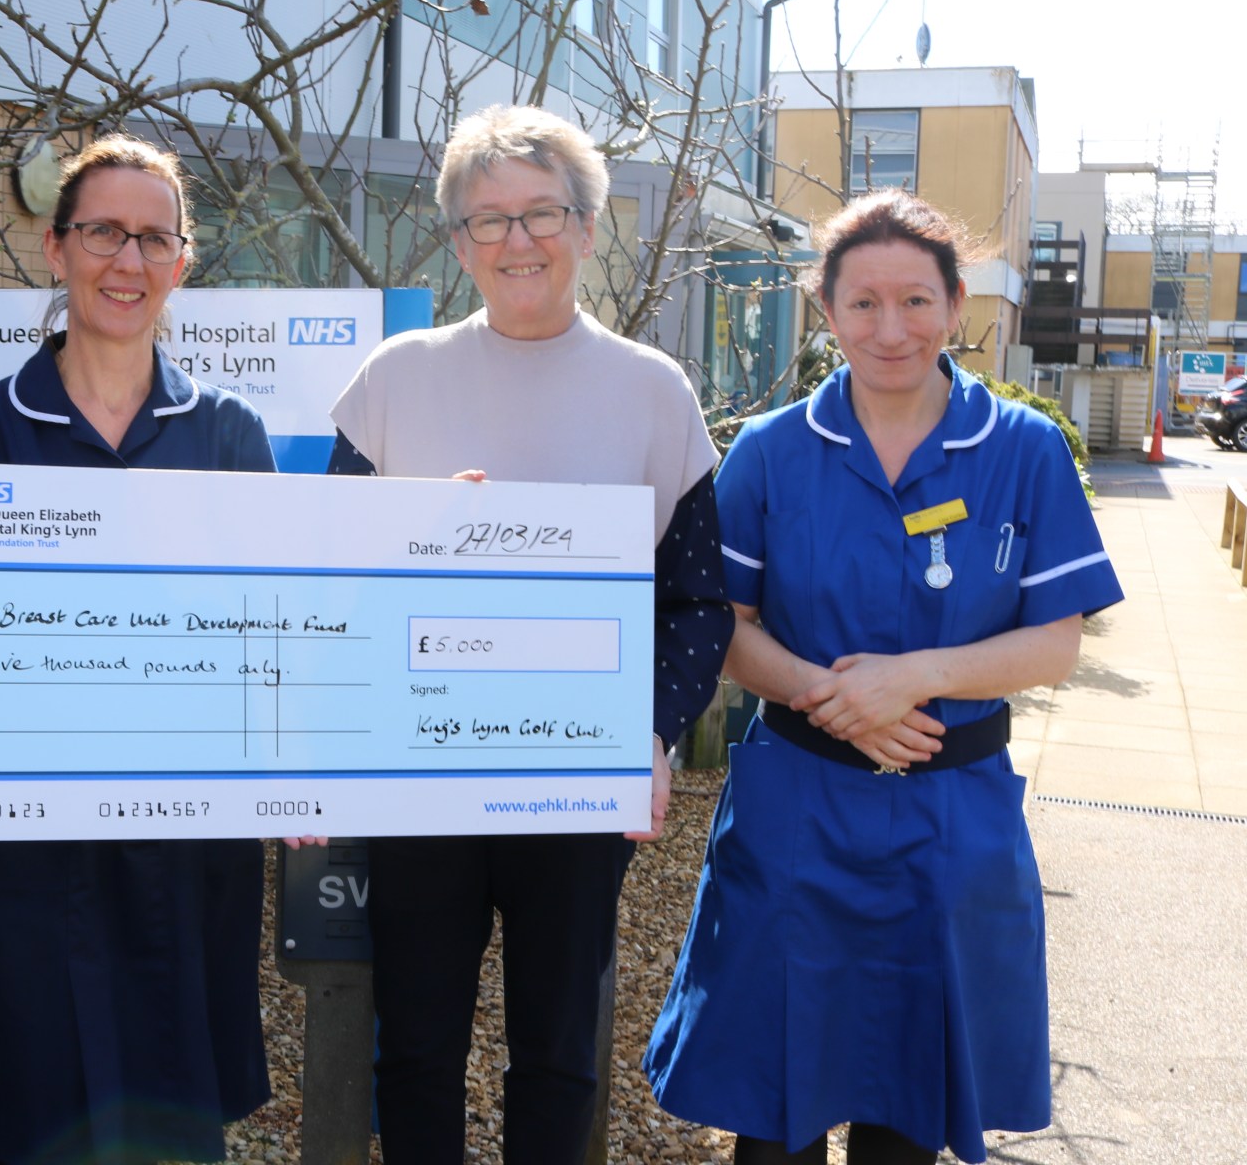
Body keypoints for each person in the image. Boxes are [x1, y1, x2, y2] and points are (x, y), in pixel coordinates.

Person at [644, 190, 1125, 1165]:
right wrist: (840, 702)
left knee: (907, 1115)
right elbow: (724, 631)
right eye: (861, 304)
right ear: (826, 315)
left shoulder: (1021, 451)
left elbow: (1053, 641)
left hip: (951, 819)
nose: (888, 327)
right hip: (796, 814)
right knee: (772, 1113)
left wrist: (913, 677)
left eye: (914, 301)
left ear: (954, 307)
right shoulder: (772, 452)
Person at [324, 104, 731, 1162]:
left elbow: (695, 600)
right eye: (486, 220)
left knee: (557, 1049)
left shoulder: (652, 391)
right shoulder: (390, 380)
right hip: (419, 779)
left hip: (573, 779)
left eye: (540, 213)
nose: (516, 241)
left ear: (588, 228)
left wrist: (646, 732)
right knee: (413, 1045)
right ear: (456, 242)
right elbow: (329, 574)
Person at [0, 134, 275, 1165]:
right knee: (31, 1111)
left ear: (181, 263)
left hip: (182, 846)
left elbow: (275, 617)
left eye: (153, 239)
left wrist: (429, 548)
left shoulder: (230, 433)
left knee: (172, 1118)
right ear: (56, 250)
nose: (127, 262)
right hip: (27, 844)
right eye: (103, 232)